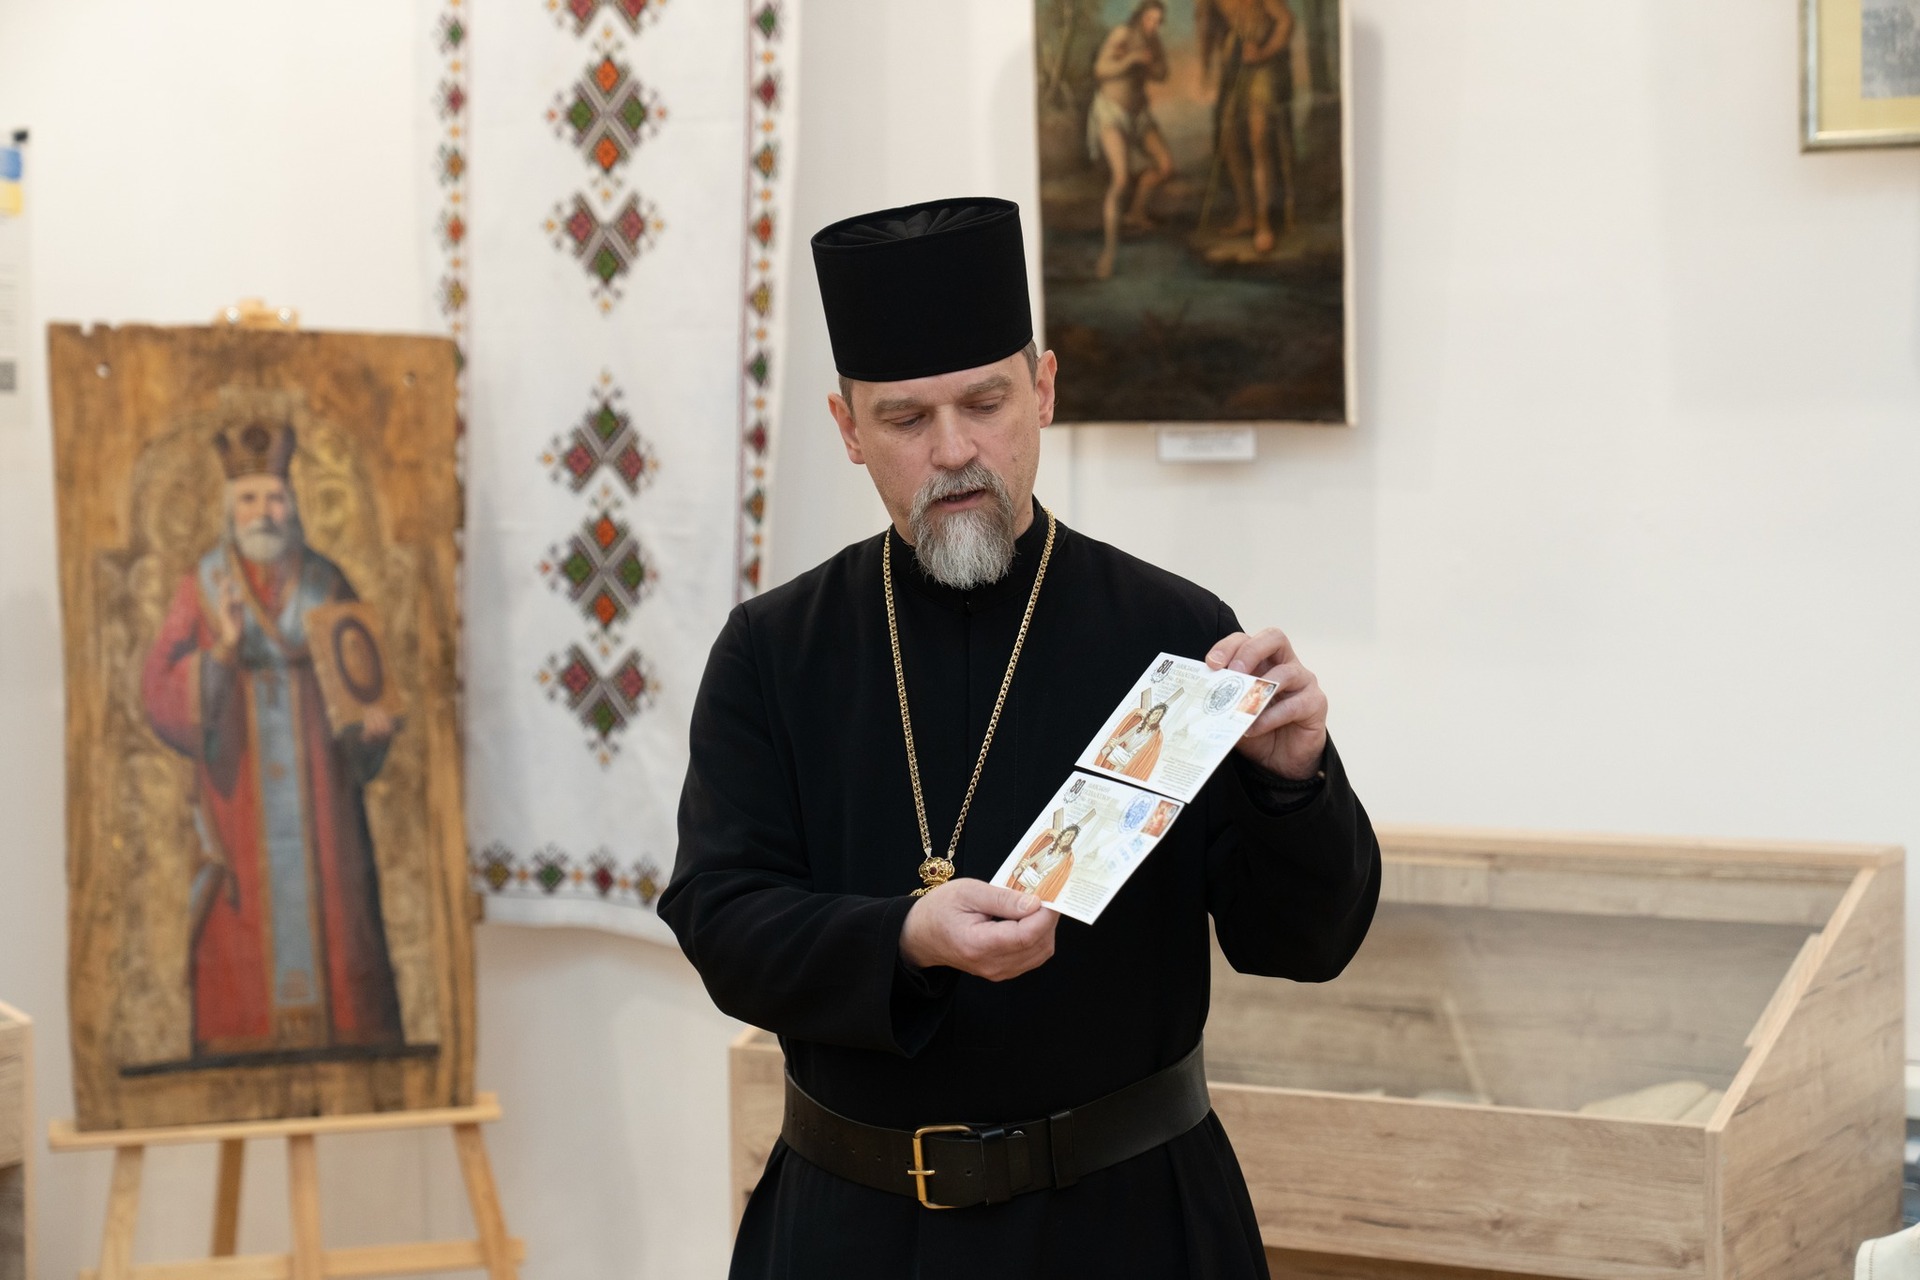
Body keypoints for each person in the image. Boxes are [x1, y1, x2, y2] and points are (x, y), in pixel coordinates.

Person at [660, 196, 1379, 1280]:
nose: (954, 450)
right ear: (848, 430)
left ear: (1043, 389)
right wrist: (906, 938)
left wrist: (1294, 784)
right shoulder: (774, 650)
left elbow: (1303, 945)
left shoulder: (1174, 632)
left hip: (1132, 1231)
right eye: (906, 419)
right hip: (856, 1235)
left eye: (985, 402)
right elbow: (721, 918)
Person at [141, 422, 406, 1065]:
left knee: (341, 927)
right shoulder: (202, 586)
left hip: (324, 813)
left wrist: (372, 732)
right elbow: (157, 690)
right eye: (249, 499)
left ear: (294, 503)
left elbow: (364, 686)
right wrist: (222, 653)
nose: (263, 512)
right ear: (229, 509)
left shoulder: (327, 583)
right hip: (240, 807)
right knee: (240, 942)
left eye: (275, 497)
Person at [1199, 0, 1297, 253]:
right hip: (1233, 65)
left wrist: (1264, 51)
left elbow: (1286, 21)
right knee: (1230, 141)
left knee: (1258, 139)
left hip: (1263, 66)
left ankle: (1264, 223)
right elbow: (1206, 29)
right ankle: (1246, 215)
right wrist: (1206, 71)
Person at [1088, 0, 1174, 279]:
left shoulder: (1154, 42)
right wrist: (1131, 60)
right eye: (1150, 20)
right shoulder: (1122, 34)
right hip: (1111, 113)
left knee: (1165, 166)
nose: (1154, 26)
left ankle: (1136, 212)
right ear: (1139, 17)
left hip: (1139, 115)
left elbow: (1163, 74)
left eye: (1158, 21)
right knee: (1121, 179)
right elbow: (1100, 70)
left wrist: (1151, 65)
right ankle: (1109, 252)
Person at [1094, 696, 1171, 780]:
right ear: (1150, 714)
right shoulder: (1137, 727)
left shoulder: (1153, 737)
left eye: (1160, 715)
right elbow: (1122, 740)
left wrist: (1114, 749)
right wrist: (1113, 745)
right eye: (1156, 713)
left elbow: (1132, 761)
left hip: (1128, 769)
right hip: (1117, 764)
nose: (1157, 717)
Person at [1005, 819, 1080, 903]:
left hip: (1040, 886)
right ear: (1059, 838)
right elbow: (1035, 861)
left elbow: (1047, 880)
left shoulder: (1065, 858)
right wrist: (1024, 865)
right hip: (1031, 883)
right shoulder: (1049, 849)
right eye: (1068, 835)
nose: (1069, 839)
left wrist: (1024, 870)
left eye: (1072, 837)